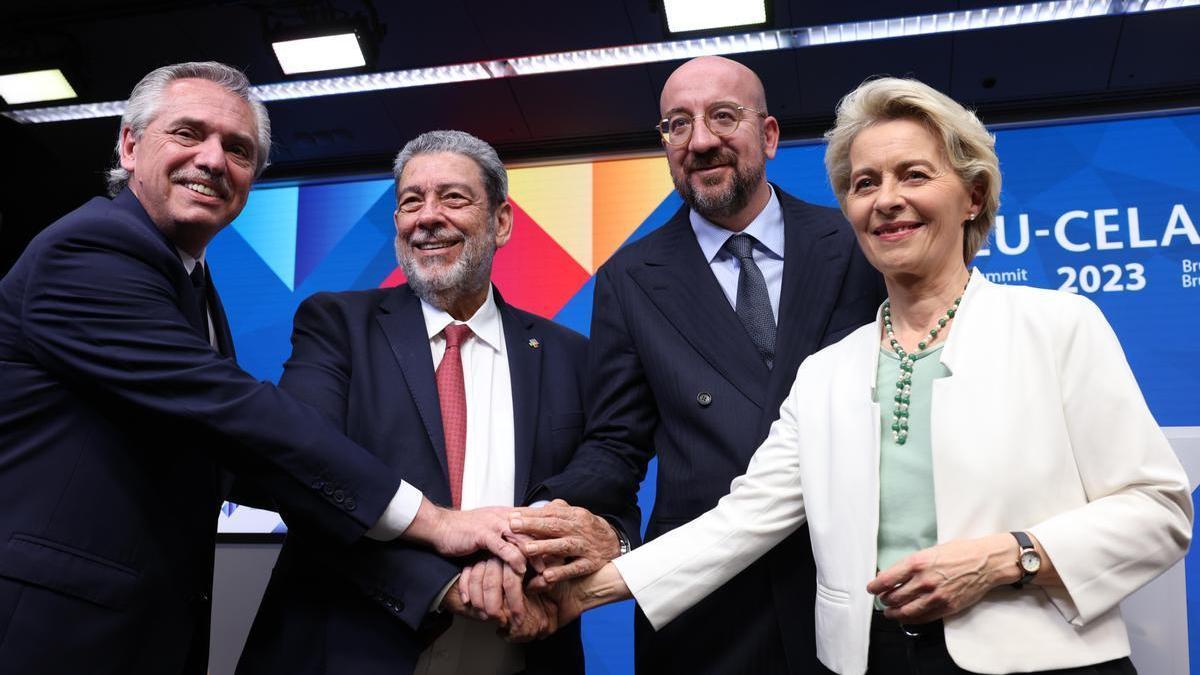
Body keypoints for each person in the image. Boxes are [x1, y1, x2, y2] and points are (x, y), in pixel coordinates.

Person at [532, 76, 1194, 675]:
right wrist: (582, 594)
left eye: (913, 175)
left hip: (1046, 663)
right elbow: (737, 523)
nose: (887, 200)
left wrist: (1006, 557)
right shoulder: (826, 374)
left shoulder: (1057, 326)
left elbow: (1159, 512)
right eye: (864, 182)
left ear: (972, 195)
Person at [0, 64, 523, 675]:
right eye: (188, 133)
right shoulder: (90, 250)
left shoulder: (189, 278)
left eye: (238, 149)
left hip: (140, 623)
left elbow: (226, 458)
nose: (213, 159)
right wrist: (433, 522)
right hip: (54, 628)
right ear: (129, 144)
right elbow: (237, 414)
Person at [505, 55, 885, 673]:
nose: (700, 140)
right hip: (702, 599)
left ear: (768, 135)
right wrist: (545, 518)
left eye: (723, 117)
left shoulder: (854, 243)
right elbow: (616, 444)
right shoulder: (629, 279)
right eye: (676, 125)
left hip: (850, 578)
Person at [235, 130, 638, 675]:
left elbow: (609, 492)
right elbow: (307, 474)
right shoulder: (335, 325)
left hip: (525, 649)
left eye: (452, 197)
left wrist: (574, 553)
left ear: (501, 222)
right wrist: (445, 584)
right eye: (410, 201)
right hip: (353, 649)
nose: (427, 217)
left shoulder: (573, 356)